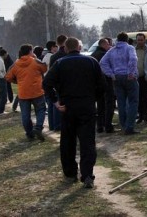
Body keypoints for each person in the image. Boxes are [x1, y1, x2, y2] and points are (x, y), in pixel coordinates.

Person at [43, 37, 105, 189]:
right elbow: (103, 85)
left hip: (68, 107)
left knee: (68, 142)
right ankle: (87, 175)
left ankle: (70, 172)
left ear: (65, 48)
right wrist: (93, 99)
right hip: (87, 106)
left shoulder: (60, 63)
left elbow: (46, 83)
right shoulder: (91, 62)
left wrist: (56, 102)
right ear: (79, 46)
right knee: (87, 142)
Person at [5, 44, 48, 141]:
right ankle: (38, 128)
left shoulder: (16, 64)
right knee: (41, 110)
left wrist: (16, 81)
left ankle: (29, 133)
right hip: (37, 91)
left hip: (23, 93)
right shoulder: (35, 61)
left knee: (25, 114)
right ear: (30, 52)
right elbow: (44, 68)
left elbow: (7, 76)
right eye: (32, 51)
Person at [100, 32, 139, 135]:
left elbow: (102, 62)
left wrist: (111, 74)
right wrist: (131, 72)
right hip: (129, 77)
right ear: (126, 39)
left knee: (121, 103)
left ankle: (123, 125)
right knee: (133, 102)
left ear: (117, 39)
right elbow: (133, 59)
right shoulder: (130, 48)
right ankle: (130, 126)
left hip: (116, 78)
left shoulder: (111, 50)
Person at [91, 38, 115, 133]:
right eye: (108, 44)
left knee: (100, 105)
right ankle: (108, 125)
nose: (109, 46)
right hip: (106, 82)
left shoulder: (93, 55)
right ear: (103, 44)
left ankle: (99, 126)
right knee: (109, 104)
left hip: (96, 84)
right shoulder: (104, 55)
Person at [49, 35, 69, 132]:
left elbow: (51, 72)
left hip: (58, 84)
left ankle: (57, 125)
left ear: (57, 43)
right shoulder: (68, 54)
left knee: (58, 104)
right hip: (68, 83)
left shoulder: (54, 57)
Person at [43, 40, 58, 131]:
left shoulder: (45, 56)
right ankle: (56, 125)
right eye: (56, 46)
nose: (57, 48)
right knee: (54, 104)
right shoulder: (52, 57)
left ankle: (51, 125)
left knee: (50, 104)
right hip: (52, 82)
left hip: (46, 81)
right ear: (52, 47)